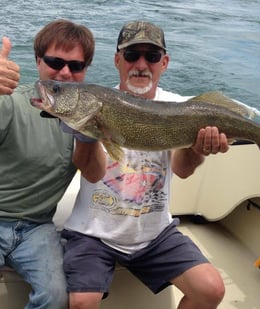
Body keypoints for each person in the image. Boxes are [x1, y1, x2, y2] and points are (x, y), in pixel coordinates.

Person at [62, 21, 229, 309]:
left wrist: (198, 149)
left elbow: (183, 169)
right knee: (81, 302)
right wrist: (87, 134)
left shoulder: (181, 108)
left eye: (151, 57)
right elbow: (90, 172)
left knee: (211, 289)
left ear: (164, 63)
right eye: (131, 55)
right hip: (94, 232)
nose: (141, 64)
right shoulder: (96, 103)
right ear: (117, 60)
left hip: (154, 234)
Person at [0, 20, 105, 309]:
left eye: (76, 66)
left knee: (56, 297)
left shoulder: (88, 115)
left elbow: (95, 173)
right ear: (37, 61)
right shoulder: (10, 103)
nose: (65, 72)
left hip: (38, 226)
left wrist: (89, 136)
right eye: (55, 61)